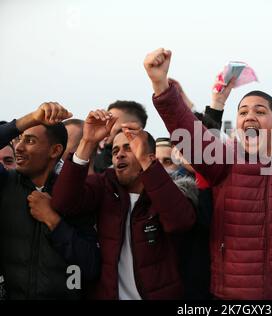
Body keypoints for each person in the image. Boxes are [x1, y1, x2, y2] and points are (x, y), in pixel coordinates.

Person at [144, 48, 272, 300]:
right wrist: (160, 84)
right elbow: (189, 134)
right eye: (243, 112)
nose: (250, 116)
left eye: (259, 112)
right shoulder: (221, 159)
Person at [51, 110, 197, 299]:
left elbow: (181, 222)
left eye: (128, 148)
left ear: (148, 154)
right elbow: (63, 203)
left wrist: (146, 161)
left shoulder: (167, 190)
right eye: (115, 150)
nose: (119, 155)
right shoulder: (104, 185)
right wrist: (88, 142)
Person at [0, 103, 99, 299]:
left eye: (29, 141)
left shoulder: (73, 195)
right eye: (19, 139)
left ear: (55, 151)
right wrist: (29, 119)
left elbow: (91, 266)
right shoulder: (4, 184)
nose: (18, 148)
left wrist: (54, 222)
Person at [93, 100, 148, 173]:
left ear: (130, 127)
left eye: (111, 122)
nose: (105, 127)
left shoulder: (154, 160)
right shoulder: (94, 159)